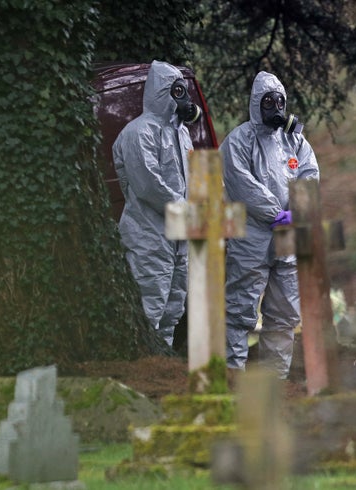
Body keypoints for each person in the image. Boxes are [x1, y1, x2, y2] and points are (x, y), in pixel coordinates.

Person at [220, 71, 320, 379]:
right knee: (239, 308)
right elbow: (241, 183)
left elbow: (310, 176)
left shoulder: (296, 141)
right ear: (255, 104)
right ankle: (232, 375)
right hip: (251, 236)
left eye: (279, 101)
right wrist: (275, 212)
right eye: (268, 101)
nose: (275, 106)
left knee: (285, 312)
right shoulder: (238, 140)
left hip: (289, 236)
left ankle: (276, 381)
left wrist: (296, 214)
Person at [112, 60, 202, 347]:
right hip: (149, 233)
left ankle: (161, 366)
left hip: (178, 234)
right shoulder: (139, 132)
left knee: (174, 307)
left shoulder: (182, 133)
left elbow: (191, 178)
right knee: (150, 303)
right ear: (162, 93)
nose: (184, 98)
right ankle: (144, 367)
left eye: (183, 91)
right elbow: (148, 184)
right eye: (177, 92)